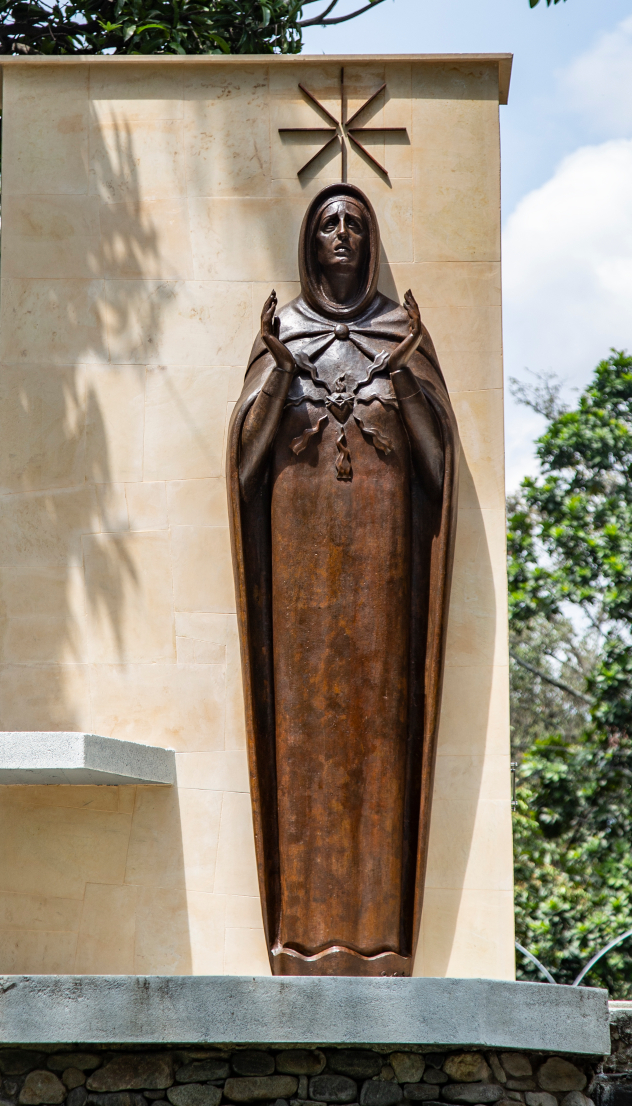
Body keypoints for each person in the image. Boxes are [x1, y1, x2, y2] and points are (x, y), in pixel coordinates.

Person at [226, 182, 460, 976]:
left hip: (384, 575)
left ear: (371, 239)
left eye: (354, 224)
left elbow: (438, 467)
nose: (340, 236)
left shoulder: (404, 333)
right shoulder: (281, 332)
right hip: (295, 578)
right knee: (302, 735)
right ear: (307, 238)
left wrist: (402, 380)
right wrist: (273, 378)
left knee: (380, 730)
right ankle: (299, 931)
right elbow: (246, 468)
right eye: (326, 223)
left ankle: (381, 935)